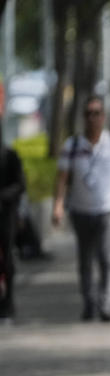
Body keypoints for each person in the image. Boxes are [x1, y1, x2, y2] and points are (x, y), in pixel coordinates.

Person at [52, 96, 110, 322]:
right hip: (80, 210)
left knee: (106, 257)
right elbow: (61, 179)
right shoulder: (72, 145)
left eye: (96, 113)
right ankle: (89, 303)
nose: (92, 118)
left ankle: (106, 305)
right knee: (85, 260)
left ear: (103, 117)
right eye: (88, 114)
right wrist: (57, 206)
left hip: (109, 208)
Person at [0, 125, 26, 323]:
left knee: (7, 260)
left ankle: (8, 303)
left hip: (6, 216)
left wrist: (3, 197)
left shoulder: (10, 156)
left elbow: (20, 185)